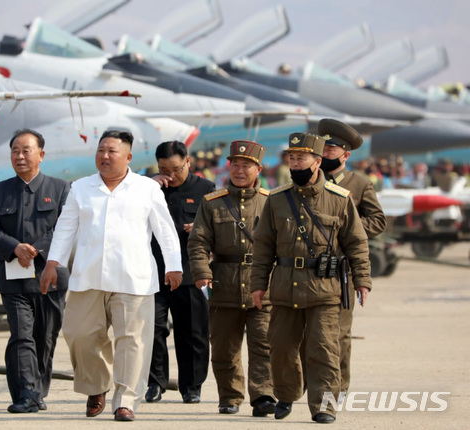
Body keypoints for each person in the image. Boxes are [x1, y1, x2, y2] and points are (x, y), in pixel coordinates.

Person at [39, 130, 182, 422]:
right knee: (79, 334)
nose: (105, 156)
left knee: (132, 341)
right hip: (88, 276)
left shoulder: (146, 188)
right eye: (101, 150)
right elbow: (65, 228)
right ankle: (97, 385)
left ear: (128, 157)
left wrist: (174, 265)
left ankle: (126, 400)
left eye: (112, 151)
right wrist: (52, 263)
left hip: (134, 278)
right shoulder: (81, 187)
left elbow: (164, 229)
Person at [250, 132, 371, 423]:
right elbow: (263, 244)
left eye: (301, 158)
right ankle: (287, 394)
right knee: (281, 348)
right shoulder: (277, 199)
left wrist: (362, 280)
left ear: (317, 162)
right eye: (291, 158)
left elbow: (356, 242)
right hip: (284, 287)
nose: (295, 163)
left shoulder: (339, 200)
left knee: (325, 348)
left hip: (324, 288)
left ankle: (323, 406)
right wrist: (257, 284)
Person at [0, 129, 70, 414]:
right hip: (12, 278)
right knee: (21, 335)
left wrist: (34, 249)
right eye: (15, 151)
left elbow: (65, 228)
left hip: (50, 277)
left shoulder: (60, 189)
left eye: (26, 150)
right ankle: (25, 393)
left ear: (41, 155)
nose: (19, 156)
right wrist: (14, 247)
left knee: (45, 337)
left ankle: (37, 391)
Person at [187, 140, 276, 417]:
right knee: (225, 348)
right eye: (235, 164)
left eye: (246, 165)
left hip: (263, 284)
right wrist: (202, 273)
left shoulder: (272, 201)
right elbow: (198, 242)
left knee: (264, 344)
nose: (239, 170)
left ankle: (263, 395)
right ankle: (230, 396)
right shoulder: (212, 203)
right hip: (223, 284)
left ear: (258, 168)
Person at [317, 118, 387, 394]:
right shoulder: (310, 180)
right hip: (309, 266)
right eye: (323, 148)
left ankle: (340, 386)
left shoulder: (359, 184)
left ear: (346, 154)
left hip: (341, 268)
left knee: (340, 333)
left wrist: (349, 229)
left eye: (332, 149)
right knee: (308, 331)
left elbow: (378, 221)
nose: (325, 153)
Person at [145, 141, 215, 404]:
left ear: (188, 161)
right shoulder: (148, 188)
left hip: (190, 271)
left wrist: (199, 229)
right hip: (155, 272)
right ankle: (154, 382)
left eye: (175, 169)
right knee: (152, 329)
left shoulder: (205, 189)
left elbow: (216, 228)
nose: (170, 176)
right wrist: (151, 183)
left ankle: (192, 385)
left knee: (193, 331)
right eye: (164, 169)